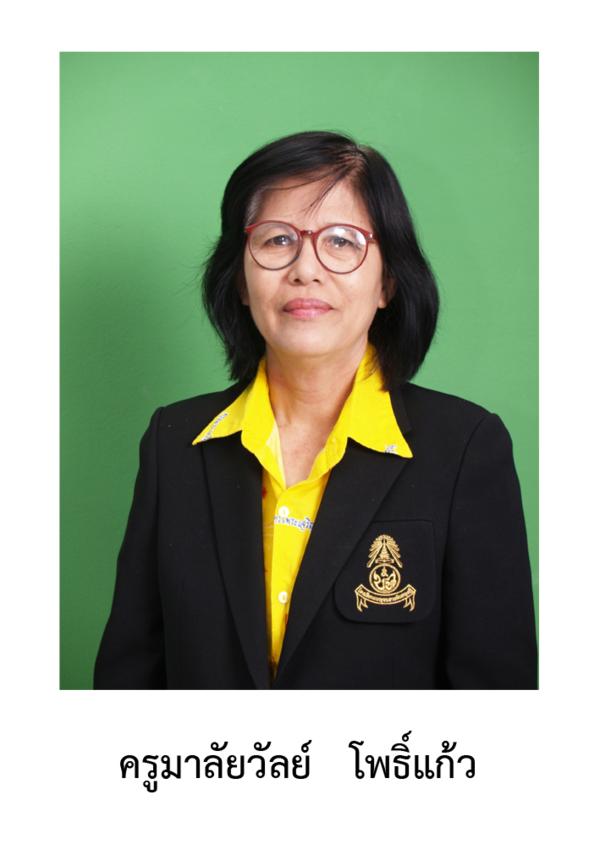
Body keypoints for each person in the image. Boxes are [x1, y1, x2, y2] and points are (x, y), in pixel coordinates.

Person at [94, 130, 537, 689]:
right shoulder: (174, 441)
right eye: (278, 239)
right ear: (241, 280)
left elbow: (497, 699)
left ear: (388, 283)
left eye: (342, 241)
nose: (306, 269)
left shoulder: (466, 448)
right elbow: (129, 679)